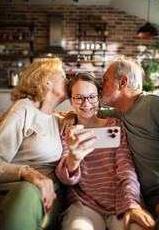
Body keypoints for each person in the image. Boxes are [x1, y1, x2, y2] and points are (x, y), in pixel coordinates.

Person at [56, 73, 155, 230]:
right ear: (71, 100)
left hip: (121, 201)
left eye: (92, 97)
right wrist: (73, 158)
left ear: (98, 97)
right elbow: (67, 180)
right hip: (83, 204)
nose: (86, 103)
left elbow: (126, 169)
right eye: (79, 97)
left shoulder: (115, 125)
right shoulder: (67, 131)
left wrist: (131, 204)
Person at [0, 58, 69, 230]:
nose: (69, 80)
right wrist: (28, 174)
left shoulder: (56, 119)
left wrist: (73, 115)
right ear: (46, 81)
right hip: (19, 193)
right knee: (28, 191)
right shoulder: (22, 110)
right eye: (63, 76)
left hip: (52, 197)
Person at [97, 55, 159, 225]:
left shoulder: (153, 105)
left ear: (122, 82)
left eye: (105, 80)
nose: (100, 85)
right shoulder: (120, 113)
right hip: (144, 202)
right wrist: (65, 116)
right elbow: (89, 114)